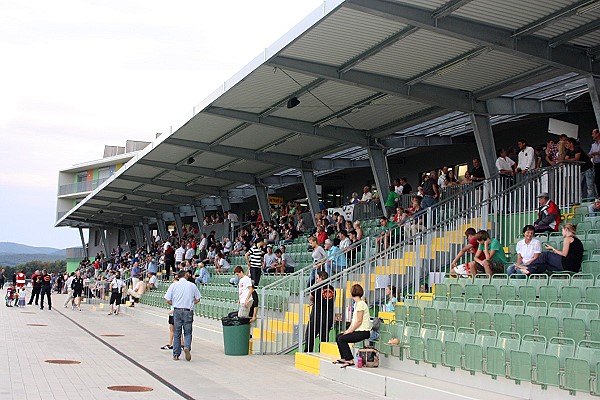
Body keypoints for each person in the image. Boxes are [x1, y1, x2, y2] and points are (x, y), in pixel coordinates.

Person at [164, 270, 201, 361]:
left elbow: (167, 299)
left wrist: (174, 303)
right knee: (188, 332)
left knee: (177, 332)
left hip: (177, 310)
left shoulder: (173, 285)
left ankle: (176, 354)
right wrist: (191, 303)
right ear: (185, 276)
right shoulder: (192, 285)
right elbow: (198, 299)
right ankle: (187, 346)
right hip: (188, 311)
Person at [519, 223, 583, 274]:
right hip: (574, 268)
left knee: (546, 255)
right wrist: (552, 248)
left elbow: (564, 254)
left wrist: (553, 249)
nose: (562, 232)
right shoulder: (577, 240)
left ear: (566, 229)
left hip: (567, 265)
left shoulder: (568, 238)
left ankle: (527, 267)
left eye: (562, 230)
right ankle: (530, 270)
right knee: (545, 265)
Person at [335, 284, 371, 368]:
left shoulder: (361, 304)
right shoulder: (357, 304)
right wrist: (348, 330)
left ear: (352, 293)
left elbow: (359, 321)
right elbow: (354, 321)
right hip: (358, 330)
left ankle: (349, 359)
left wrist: (350, 331)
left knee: (342, 339)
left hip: (363, 331)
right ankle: (344, 357)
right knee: (338, 337)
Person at [304, 270, 335, 353]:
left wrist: (314, 301)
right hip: (328, 316)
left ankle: (308, 352)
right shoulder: (332, 288)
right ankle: (323, 352)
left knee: (310, 335)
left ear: (321, 278)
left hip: (317, 315)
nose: (316, 280)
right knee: (324, 337)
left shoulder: (316, 287)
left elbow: (311, 297)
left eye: (317, 278)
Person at [589, 128, 600, 197]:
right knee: (597, 180)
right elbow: (590, 153)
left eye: (593, 133)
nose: (592, 135)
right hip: (597, 164)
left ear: (597, 134)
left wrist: (597, 153)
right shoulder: (593, 145)